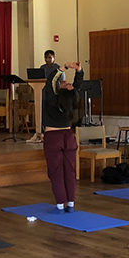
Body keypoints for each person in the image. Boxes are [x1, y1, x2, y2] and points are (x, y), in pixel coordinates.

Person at [43, 61, 83, 212]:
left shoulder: (53, 99)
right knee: (69, 171)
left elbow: (51, 80)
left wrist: (64, 67)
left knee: (56, 171)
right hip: (69, 136)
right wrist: (79, 71)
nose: (65, 82)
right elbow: (77, 86)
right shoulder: (72, 99)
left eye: (65, 83)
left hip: (53, 137)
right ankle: (71, 203)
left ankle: (60, 204)